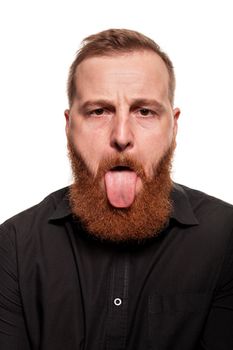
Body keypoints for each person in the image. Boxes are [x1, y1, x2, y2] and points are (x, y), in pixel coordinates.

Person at [0, 28, 233, 350]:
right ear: (69, 127)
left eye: (145, 111)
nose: (121, 136)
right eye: (99, 111)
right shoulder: (14, 244)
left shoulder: (226, 237)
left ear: (174, 126)